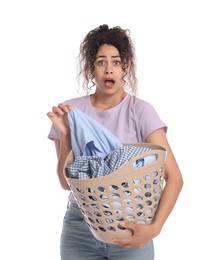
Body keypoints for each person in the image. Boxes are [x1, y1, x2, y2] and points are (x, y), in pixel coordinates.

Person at [47, 24, 183, 260]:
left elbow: (174, 178)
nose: (108, 69)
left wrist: (154, 228)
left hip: (131, 225)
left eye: (116, 62)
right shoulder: (72, 112)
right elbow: (65, 183)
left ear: (125, 67)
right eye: (101, 62)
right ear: (92, 68)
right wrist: (66, 134)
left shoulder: (140, 111)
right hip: (80, 228)